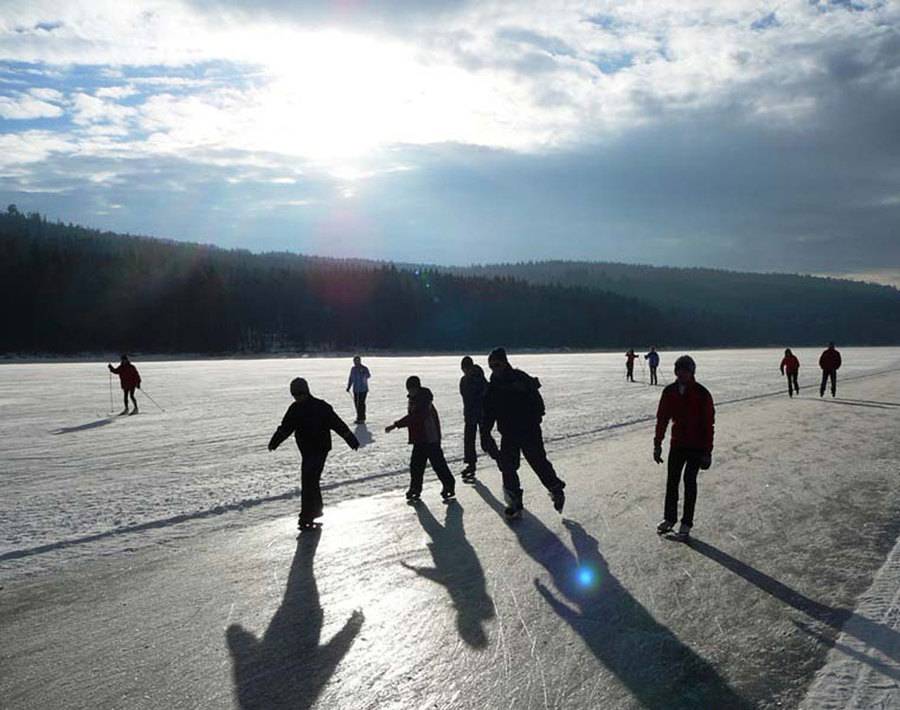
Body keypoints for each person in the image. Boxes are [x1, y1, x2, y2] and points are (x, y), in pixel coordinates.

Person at [481, 347, 565, 520]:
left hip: (529, 431)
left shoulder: (520, 379)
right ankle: (514, 502)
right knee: (508, 467)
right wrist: (485, 432)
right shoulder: (493, 387)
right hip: (508, 434)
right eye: (491, 366)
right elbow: (489, 412)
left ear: (505, 363)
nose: (494, 369)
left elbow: (538, 404)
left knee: (538, 462)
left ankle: (555, 488)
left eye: (497, 365)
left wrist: (534, 419)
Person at [268, 377, 360, 530]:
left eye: (300, 394)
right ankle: (314, 512)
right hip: (306, 450)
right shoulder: (295, 409)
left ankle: (307, 515)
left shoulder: (321, 406)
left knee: (309, 480)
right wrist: (275, 442)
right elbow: (285, 428)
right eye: (294, 395)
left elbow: (337, 424)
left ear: (306, 392)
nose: (297, 398)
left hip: (320, 449)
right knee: (311, 481)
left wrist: (350, 439)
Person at [653, 355, 715, 541]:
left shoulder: (702, 393)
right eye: (679, 370)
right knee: (672, 481)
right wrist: (657, 443)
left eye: (686, 371)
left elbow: (708, 425)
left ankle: (686, 523)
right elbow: (662, 418)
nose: (682, 374)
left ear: (692, 372)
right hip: (677, 444)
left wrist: (707, 452)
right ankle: (669, 518)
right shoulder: (669, 392)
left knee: (689, 481)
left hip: (696, 446)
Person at [385, 376, 456, 503]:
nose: (410, 391)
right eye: (409, 389)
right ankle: (415, 489)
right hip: (420, 438)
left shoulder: (424, 400)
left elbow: (416, 417)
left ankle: (449, 485)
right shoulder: (413, 399)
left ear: (417, 388)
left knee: (438, 463)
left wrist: (396, 425)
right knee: (416, 465)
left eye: (412, 389)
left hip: (430, 437)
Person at [459, 355, 489, 482]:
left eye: (467, 369)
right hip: (470, 414)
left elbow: (485, 393)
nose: (466, 371)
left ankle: (499, 459)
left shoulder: (479, 379)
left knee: (486, 440)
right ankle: (471, 464)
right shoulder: (464, 380)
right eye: (464, 369)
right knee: (469, 440)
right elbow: (466, 398)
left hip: (482, 413)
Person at [346, 355, 371, 423]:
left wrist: (363, 373)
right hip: (356, 389)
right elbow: (351, 378)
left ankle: (362, 418)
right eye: (355, 361)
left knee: (361, 404)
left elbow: (368, 376)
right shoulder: (353, 369)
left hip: (363, 389)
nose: (356, 362)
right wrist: (349, 386)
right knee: (357, 404)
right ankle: (359, 417)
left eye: (357, 361)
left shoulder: (364, 368)